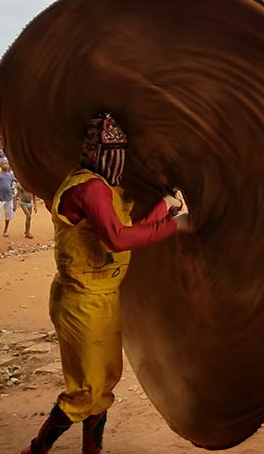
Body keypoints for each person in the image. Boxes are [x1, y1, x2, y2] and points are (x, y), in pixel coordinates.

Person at [20, 113, 192, 454]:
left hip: (104, 297)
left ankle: (92, 449)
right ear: (98, 153)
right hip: (80, 299)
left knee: (105, 382)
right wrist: (176, 226)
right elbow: (117, 238)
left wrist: (163, 208)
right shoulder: (89, 187)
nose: (119, 158)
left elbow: (125, 226)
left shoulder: (106, 189)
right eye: (113, 150)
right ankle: (37, 449)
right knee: (84, 388)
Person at [0, 163, 16, 237]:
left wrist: (14, 202)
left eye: (7, 164)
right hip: (0, 198)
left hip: (9, 197)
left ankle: (5, 230)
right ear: (0, 166)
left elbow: (13, 186)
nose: (6, 165)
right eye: (4, 164)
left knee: (8, 215)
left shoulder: (11, 175)